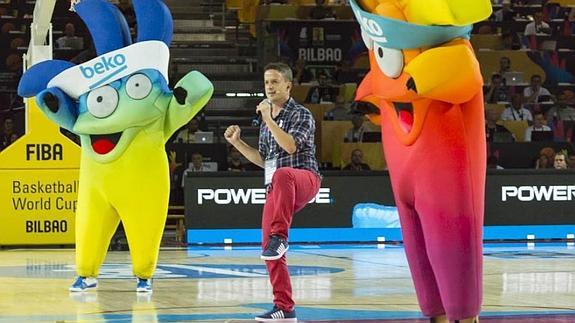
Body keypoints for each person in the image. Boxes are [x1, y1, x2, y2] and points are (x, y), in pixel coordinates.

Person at [224, 62, 321, 322]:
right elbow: (264, 159)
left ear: (288, 85)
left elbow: (289, 148)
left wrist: (267, 118)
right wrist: (238, 143)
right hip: (278, 186)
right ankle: (285, 308)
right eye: (267, 82)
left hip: (304, 179)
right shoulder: (267, 123)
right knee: (268, 248)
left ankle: (280, 236)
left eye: (275, 81)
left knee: (283, 174)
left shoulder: (300, 114)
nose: (269, 86)